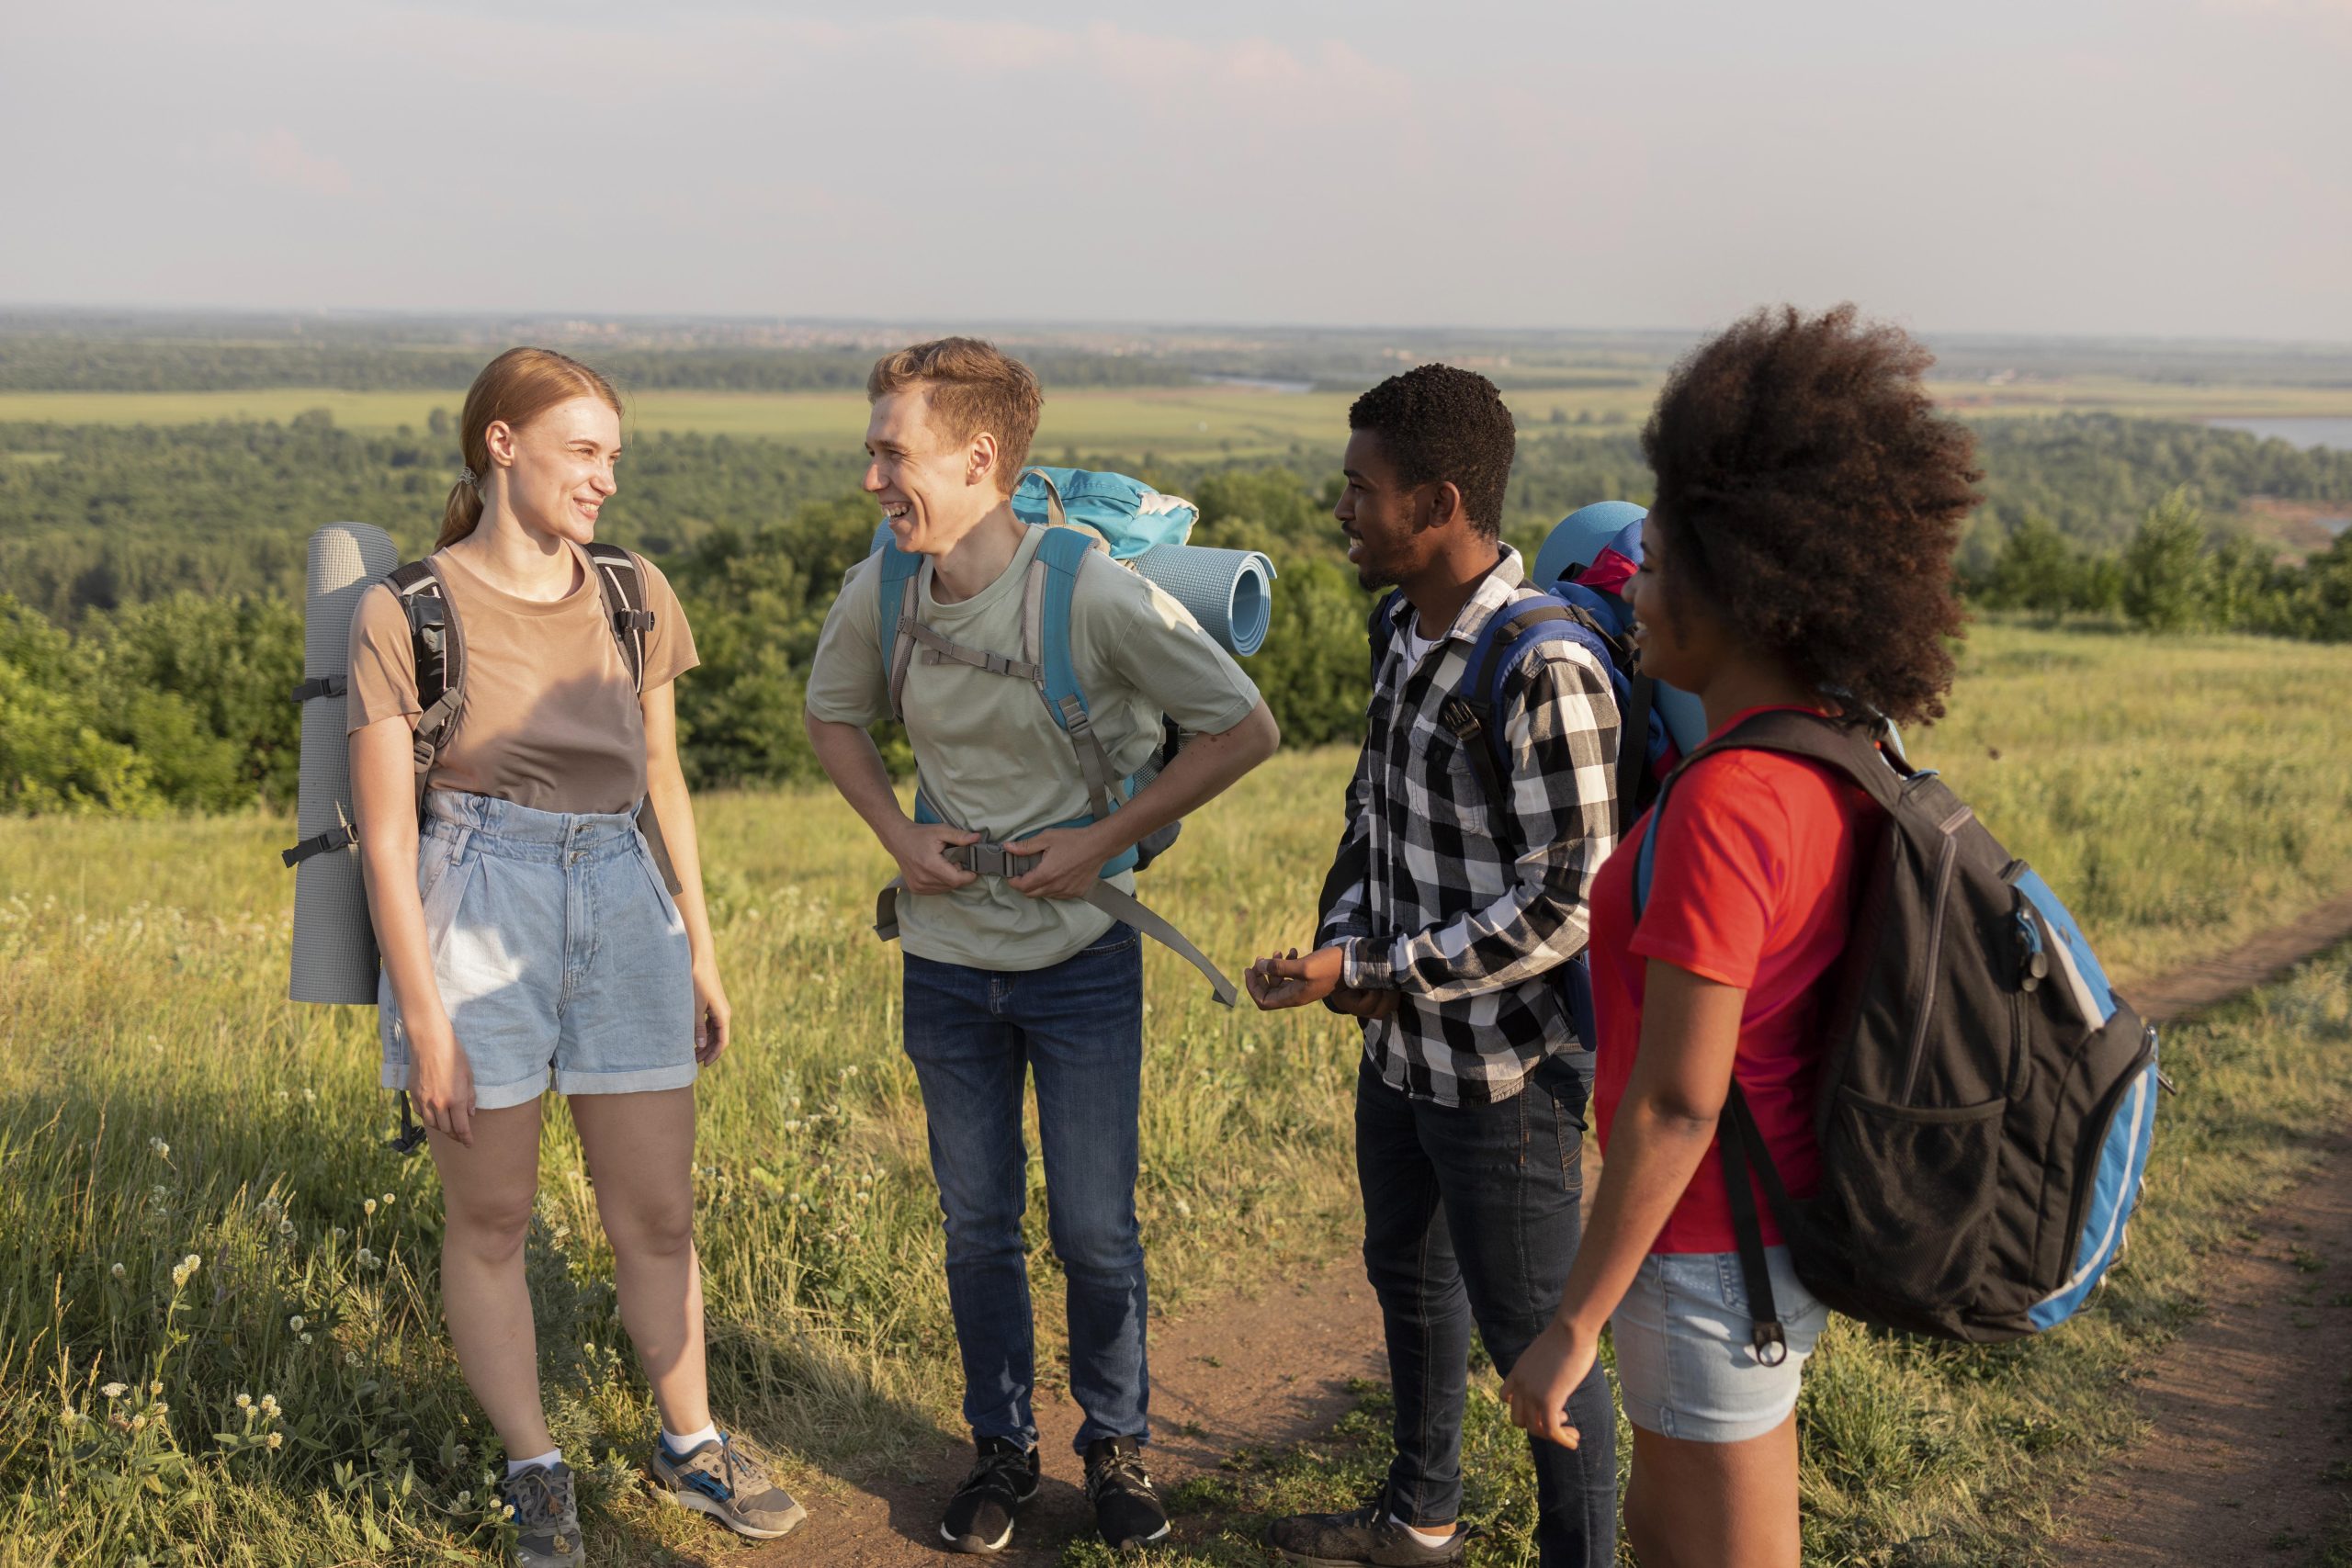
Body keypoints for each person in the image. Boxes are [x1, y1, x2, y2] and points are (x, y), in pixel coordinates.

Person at [1498, 306, 1978, 1568]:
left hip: (1709, 1257)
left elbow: (1676, 1103)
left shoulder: (1727, 798)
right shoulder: (1836, 751)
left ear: (1741, 584)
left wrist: (1574, 1323)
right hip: (1756, 1241)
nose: (1631, 592)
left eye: (1655, 564)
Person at [801, 337, 1280, 1553]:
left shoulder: (1093, 592)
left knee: (1095, 1227)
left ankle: (1118, 1454)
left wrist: (1103, 840)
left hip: (1079, 959)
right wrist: (898, 834)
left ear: (980, 462)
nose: (871, 480)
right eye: (870, 451)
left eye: (890, 453)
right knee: (976, 1223)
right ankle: (1002, 1455)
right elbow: (832, 716)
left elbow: (1244, 726)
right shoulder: (888, 591)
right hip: (947, 958)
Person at [349, 348, 803, 1568]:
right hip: (476, 893)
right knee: (492, 1217)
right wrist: (428, 1023)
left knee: (657, 1213)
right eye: (584, 450)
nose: (605, 478)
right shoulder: (407, 610)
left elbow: (664, 783)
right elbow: (389, 845)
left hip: (623, 893)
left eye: (615, 456)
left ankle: (691, 1443)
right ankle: (535, 1468)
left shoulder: (632, 590)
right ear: (502, 444)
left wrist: (697, 948)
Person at [1248, 364, 1621, 1568]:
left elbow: (1573, 901)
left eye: (1363, 490)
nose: (1341, 509)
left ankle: (1585, 1555)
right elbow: (1375, 809)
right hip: (1401, 1050)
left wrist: (1386, 964)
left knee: (1538, 1342)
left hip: (1509, 1081)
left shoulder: (1544, 663)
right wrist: (1344, 954)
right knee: (1406, 1282)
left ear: (1441, 502)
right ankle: (1421, 1521)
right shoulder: (1398, 629)